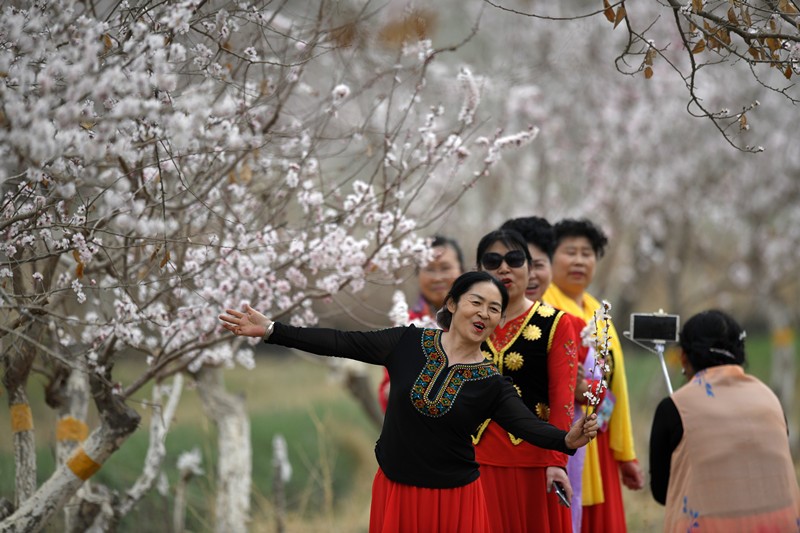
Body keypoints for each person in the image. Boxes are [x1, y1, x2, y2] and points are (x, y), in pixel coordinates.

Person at [220, 271, 599, 533]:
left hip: (456, 503)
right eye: (475, 302)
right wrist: (272, 330)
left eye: (494, 308)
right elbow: (339, 341)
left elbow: (527, 426)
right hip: (396, 492)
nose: (484, 313)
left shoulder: (491, 383)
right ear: (452, 304)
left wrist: (565, 441)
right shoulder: (407, 343)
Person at [472, 225, 584, 533]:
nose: (504, 268)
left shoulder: (556, 324)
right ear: (479, 271)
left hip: (535, 462)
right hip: (473, 460)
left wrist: (557, 461)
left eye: (514, 258)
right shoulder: (468, 322)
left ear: (529, 267)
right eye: (493, 261)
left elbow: (563, 398)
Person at [649, 309, 800, 531]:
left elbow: (663, 492)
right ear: (741, 354)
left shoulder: (673, 408)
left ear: (683, 357)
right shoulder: (770, 400)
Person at [543, 218, 644, 533]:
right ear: (549, 258)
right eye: (569, 251)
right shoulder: (543, 307)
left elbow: (619, 388)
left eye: (587, 253)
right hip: (565, 440)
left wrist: (625, 453)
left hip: (599, 442)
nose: (578, 260)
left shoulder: (598, 311)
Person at [378, 235, 464, 411]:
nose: (438, 277)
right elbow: (386, 393)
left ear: (462, 271)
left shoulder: (479, 319)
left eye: (445, 268)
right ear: (418, 274)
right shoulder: (405, 324)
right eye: (429, 269)